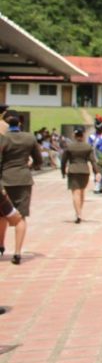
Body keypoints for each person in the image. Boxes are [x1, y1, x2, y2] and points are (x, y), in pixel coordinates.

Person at [0, 111, 42, 265]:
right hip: (23, 179)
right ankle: (17, 253)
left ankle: (1, 245)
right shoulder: (29, 138)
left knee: (2, 215)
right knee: (21, 216)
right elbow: (38, 159)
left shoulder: (3, 139)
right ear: (20, 123)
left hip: (5, 180)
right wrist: (31, 165)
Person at [61, 127, 98, 223]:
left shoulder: (69, 147)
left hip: (73, 170)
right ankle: (79, 212)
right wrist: (97, 172)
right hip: (84, 171)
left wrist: (63, 171)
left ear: (74, 135)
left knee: (75, 193)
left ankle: (78, 214)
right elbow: (93, 161)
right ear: (83, 135)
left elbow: (63, 161)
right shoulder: (88, 147)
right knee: (82, 193)